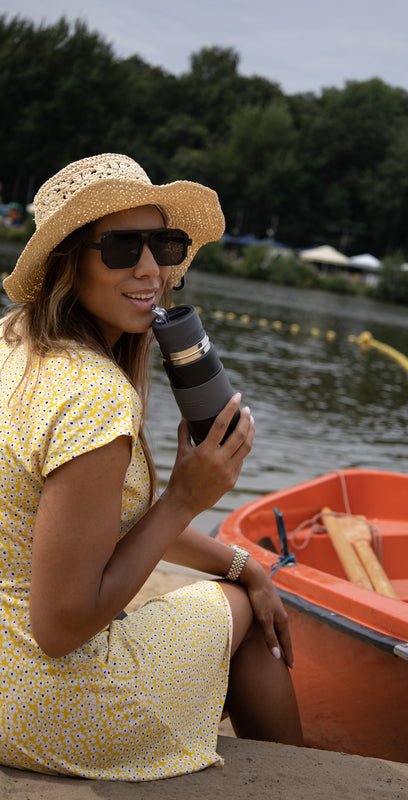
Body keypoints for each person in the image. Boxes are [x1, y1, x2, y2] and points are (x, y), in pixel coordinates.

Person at [0, 153, 302, 781]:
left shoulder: (14, 344)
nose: (150, 269)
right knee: (242, 620)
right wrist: (185, 500)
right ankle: (298, 784)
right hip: (46, 704)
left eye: (162, 245)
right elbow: (59, 628)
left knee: (242, 592)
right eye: (121, 248)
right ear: (70, 260)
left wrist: (246, 565)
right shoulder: (93, 395)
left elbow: (97, 522)